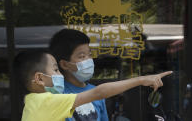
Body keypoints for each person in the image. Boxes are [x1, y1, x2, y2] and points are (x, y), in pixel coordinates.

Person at [49, 29, 171, 121]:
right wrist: (141, 80)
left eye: (90, 55)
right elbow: (100, 91)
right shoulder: (56, 93)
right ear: (65, 64)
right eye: (82, 56)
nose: (88, 60)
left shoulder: (96, 93)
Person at [13, 50, 172, 121]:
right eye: (55, 69)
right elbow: (99, 92)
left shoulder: (33, 103)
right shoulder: (46, 102)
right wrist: (142, 80)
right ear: (40, 79)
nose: (61, 75)